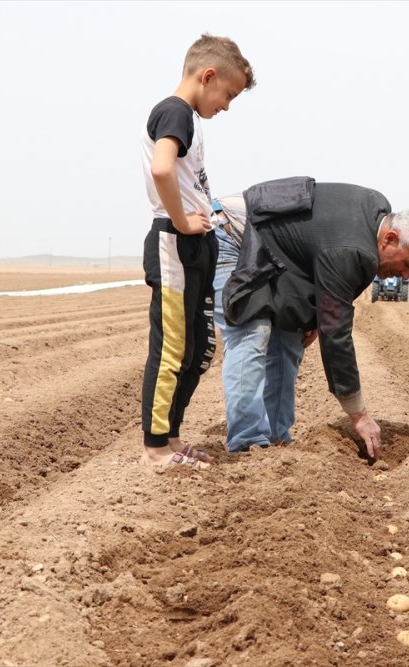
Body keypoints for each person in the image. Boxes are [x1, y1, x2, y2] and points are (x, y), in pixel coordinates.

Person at [217, 177, 409, 459]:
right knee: (252, 332)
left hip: (275, 253)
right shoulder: (351, 248)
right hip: (232, 234)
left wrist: (312, 319)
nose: (406, 276)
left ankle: (275, 440)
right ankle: (246, 443)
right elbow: (335, 332)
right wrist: (358, 414)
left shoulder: (375, 217)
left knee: (289, 339)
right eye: (408, 264)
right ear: (389, 239)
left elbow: (319, 260)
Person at [139, 34, 254, 466]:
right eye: (228, 94)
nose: (226, 105)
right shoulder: (174, 111)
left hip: (198, 243)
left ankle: (170, 439)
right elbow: (162, 167)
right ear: (208, 76)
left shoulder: (189, 118)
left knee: (199, 348)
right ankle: (155, 449)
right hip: (175, 241)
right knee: (172, 349)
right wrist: (185, 220)